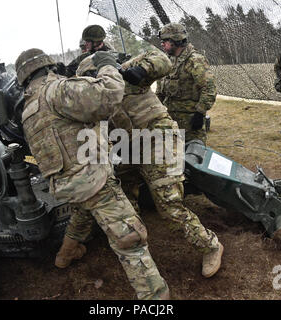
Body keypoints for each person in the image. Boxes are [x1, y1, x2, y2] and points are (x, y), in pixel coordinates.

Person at [15, 48, 169, 300]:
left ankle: (65, 256)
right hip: (92, 180)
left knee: (82, 213)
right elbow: (108, 95)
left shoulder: (28, 110)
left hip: (66, 185)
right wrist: (108, 66)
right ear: (48, 68)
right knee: (131, 239)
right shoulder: (56, 90)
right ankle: (155, 296)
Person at [77, 50, 224, 278]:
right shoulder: (93, 99)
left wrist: (141, 70)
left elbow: (162, 60)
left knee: (169, 205)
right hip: (127, 146)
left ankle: (210, 245)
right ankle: (138, 243)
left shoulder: (124, 74)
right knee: (123, 196)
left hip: (158, 138)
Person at [156, 23, 216, 145]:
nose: (162, 44)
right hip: (170, 121)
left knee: (190, 158)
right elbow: (161, 91)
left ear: (175, 40)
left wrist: (199, 113)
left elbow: (209, 89)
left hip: (190, 124)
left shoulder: (195, 60)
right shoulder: (168, 60)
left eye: (165, 41)